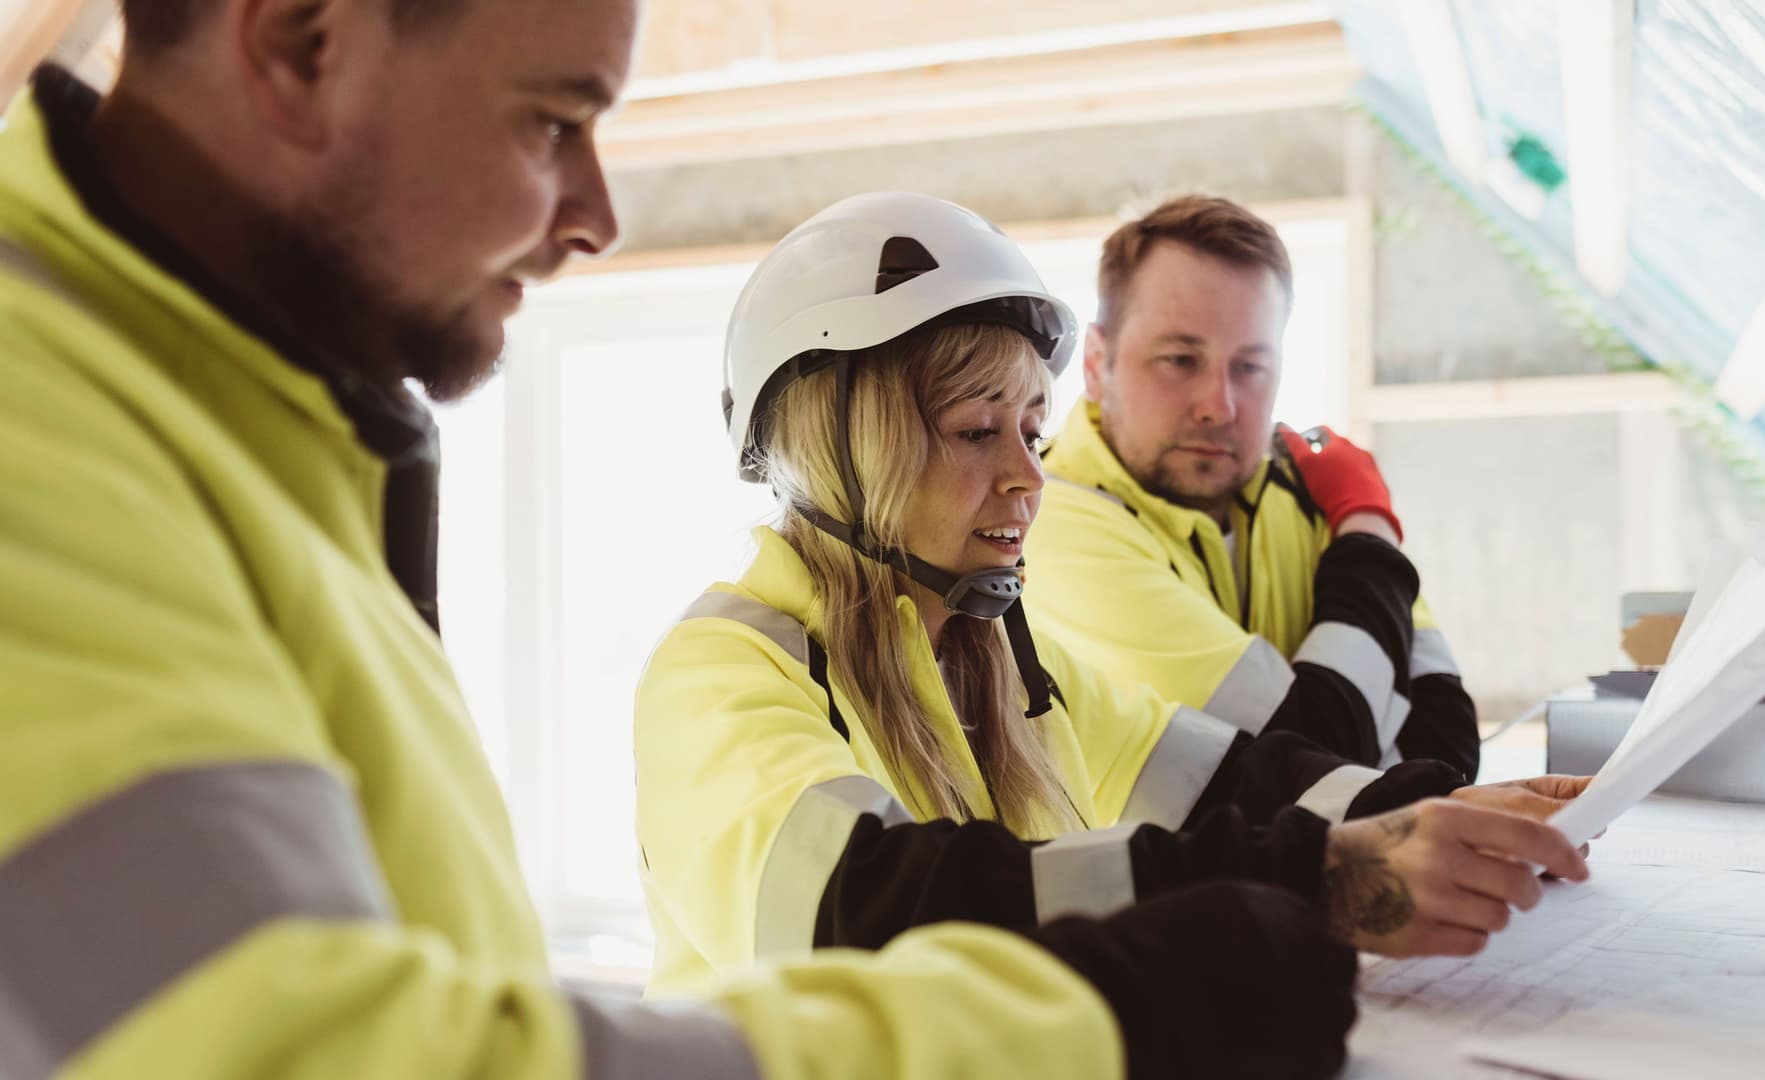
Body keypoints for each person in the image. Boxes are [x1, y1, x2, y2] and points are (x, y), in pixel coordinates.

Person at [0, 5, 1350, 1079]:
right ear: (300, 40)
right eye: (553, 119)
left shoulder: (239, 436)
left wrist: (1361, 839)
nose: (595, 213)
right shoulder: (38, 426)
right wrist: (1094, 1019)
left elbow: (1231, 779)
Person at [632, 193, 1591, 1051]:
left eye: (1033, 434)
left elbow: (1229, 782)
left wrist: (1423, 814)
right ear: (833, 452)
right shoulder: (720, 675)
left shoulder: (999, 668)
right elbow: (868, 907)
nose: (1029, 477)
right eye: (977, 431)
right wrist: (1324, 877)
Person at [1022, 194, 1485, 777]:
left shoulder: (1305, 487)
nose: (1220, 405)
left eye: (1251, 367)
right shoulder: (1049, 523)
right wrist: (1367, 526)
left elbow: (1445, 749)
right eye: (1180, 359)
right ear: (1096, 362)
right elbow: (1320, 755)